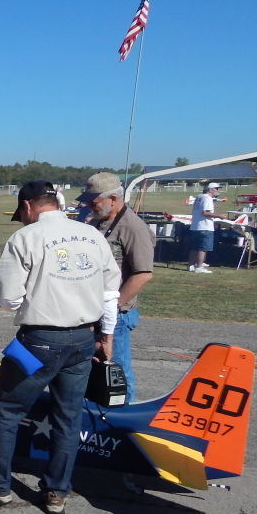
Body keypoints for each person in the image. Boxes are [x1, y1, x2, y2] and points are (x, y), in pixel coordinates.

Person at [0, 181, 120, 514]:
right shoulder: (92, 234)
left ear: (27, 206)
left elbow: (8, 299)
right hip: (84, 339)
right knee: (68, 418)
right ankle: (57, 493)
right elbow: (111, 295)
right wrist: (106, 338)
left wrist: (38, 297)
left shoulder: (25, 237)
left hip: (38, 340)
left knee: (7, 410)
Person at [76, 172, 154, 402]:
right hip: (95, 311)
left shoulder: (133, 227)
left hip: (116, 314)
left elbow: (143, 274)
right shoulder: (99, 221)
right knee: (95, 370)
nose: (88, 204)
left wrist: (113, 308)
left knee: (116, 371)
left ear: (113, 198)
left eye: (94, 200)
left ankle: (123, 417)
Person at [189, 182, 221, 273]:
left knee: (194, 247)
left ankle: (191, 265)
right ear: (210, 190)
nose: (217, 191)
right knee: (202, 248)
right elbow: (205, 213)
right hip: (205, 226)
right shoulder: (208, 198)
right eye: (216, 189)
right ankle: (199, 267)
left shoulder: (199, 197)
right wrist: (219, 216)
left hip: (195, 226)